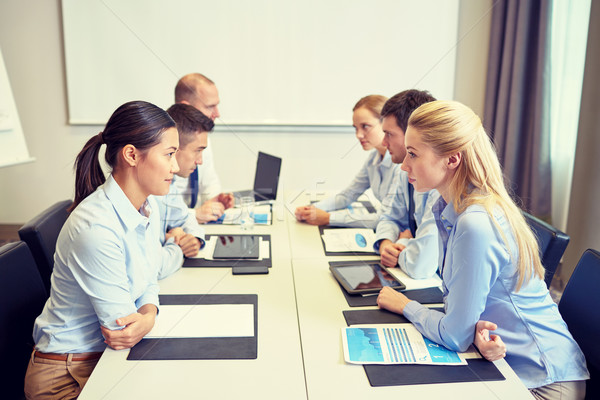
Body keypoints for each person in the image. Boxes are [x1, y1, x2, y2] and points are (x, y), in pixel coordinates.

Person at [377, 100, 589, 398]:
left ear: (452, 160)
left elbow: (454, 334)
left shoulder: (475, 223)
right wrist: (470, 332)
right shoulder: (452, 209)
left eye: (413, 154)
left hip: (543, 382)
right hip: (505, 363)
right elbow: (461, 319)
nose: (403, 164)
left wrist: (405, 306)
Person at [24, 101, 181, 399]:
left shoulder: (148, 206)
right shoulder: (96, 226)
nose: (175, 166)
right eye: (169, 154)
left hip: (103, 361)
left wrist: (148, 314)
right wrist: (145, 318)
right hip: (66, 375)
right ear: (132, 155)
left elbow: (149, 277)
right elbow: (121, 331)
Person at [295, 95, 398, 229]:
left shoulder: (401, 166)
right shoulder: (374, 158)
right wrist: (312, 209)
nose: (359, 135)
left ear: (385, 124)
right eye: (356, 128)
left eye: (365, 126)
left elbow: (384, 218)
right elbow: (348, 195)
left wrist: (328, 218)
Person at [373, 89, 440, 279]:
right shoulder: (403, 169)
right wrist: (386, 243)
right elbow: (389, 216)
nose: (383, 142)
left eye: (388, 134)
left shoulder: (440, 186)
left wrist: (402, 243)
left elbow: (421, 265)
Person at [154, 103, 216, 279]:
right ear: (175, 147)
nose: (200, 161)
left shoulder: (168, 184)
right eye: (197, 151)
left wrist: (194, 239)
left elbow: (185, 217)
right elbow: (153, 268)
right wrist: (176, 243)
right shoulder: (150, 189)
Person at [174, 73, 234, 223]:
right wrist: (195, 215)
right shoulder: (163, 145)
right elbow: (161, 209)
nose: (217, 113)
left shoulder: (202, 138)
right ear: (186, 107)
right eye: (210, 106)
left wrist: (217, 201)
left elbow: (210, 184)